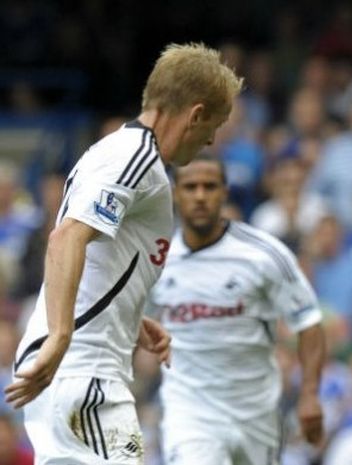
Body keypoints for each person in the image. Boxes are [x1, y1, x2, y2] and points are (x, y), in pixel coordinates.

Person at [4, 43, 243, 464]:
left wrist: (132, 318)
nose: (210, 140)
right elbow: (66, 239)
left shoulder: (115, 151)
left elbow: (96, 256)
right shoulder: (136, 159)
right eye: (215, 126)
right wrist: (62, 338)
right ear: (196, 114)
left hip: (77, 368)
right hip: (85, 368)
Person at [149, 155, 325, 465]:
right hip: (190, 412)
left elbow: (309, 322)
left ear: (224, 192)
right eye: (190, 187)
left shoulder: (264, 254)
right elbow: (135, 318)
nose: (200, 196)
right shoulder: (157, 260)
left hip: (255, 413)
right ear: (175, 193)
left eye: (209, 187)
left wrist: (309, 393)